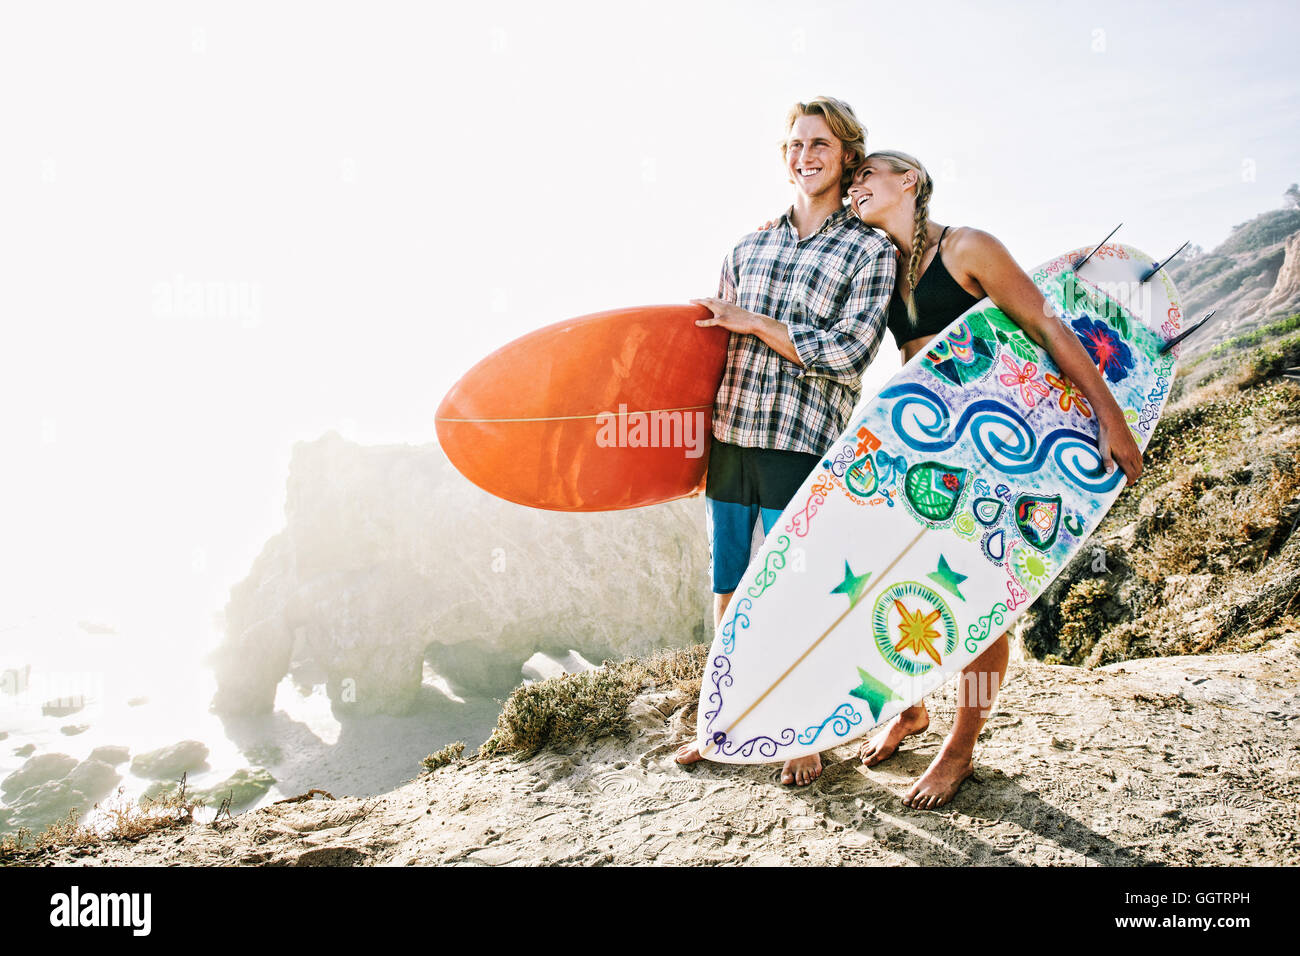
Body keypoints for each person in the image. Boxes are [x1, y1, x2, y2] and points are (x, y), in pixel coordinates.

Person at [846, 149, 1144, 809]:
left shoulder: (968, 247)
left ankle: (960, 746)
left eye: (870, 173)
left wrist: (1110, 417)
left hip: (996, 440)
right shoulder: (884, 272)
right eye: (853, 181)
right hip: (928, 443)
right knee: (901, 578)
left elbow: (1045, 324)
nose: (858, 185)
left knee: (983, 598)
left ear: (910, 181)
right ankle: (911, 707)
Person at [674, 98, 897, 786]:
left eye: (820, 144)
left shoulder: (870, 250)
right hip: (732, 437)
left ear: (847, 156)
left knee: (793, 593)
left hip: (803, 444)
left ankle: (799, 730)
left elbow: (850, 353)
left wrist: (754, 321)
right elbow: (708, 350)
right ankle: (729, 720)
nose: (806, 155)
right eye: (796, 144)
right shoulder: (747, 247)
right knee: (729, 592)